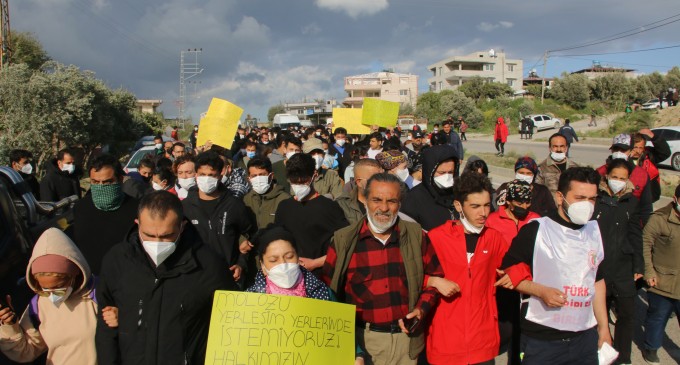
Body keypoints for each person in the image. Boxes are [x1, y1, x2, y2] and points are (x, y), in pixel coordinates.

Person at [95, 191, 236, 364]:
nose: (157, 243)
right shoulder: (117, 260)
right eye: (149, 235)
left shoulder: (209, 265)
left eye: (166, 235)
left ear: (182, 226)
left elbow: (230, 325)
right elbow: (105, 327)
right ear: (137, 224)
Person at [323, 173, 444, 365]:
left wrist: (421, 309)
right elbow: (328, 294)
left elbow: (435, 278)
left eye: (392, 201)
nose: (384, 208)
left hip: (407, 342)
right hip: (363, 341)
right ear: (365, 201)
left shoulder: (416, 236)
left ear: (400, 204)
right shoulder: (343, 240)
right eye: (376, 200)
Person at [501, 167, 612, 364]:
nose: (587, 205)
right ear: (560, 197)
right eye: (579, 198)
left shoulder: (595, 230)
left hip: (584, 337)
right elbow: (506, 272)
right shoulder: (537, 230)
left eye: (592, 199)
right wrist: (540, 291)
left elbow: (597, 281)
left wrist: (603, 327)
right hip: (543, 339)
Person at [426, 172, 510, 365]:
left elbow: (516, 266)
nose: (483, 213)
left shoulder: (494, 238)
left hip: (483, 340)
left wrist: (514, 274)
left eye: (487, 205)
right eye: (475, 206)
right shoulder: (436, 237)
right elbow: (413, 275)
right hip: (445, 341)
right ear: (458, 206)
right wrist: (433, 281)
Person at [0, 228, 98, 364]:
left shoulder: (100, 293)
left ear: (74, 274)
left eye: (58, 286)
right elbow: (25, 352)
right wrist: (10, 326)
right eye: (44, 288)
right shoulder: (38, 305)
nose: (52, 295)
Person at [592, 158, 642, 365]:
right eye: (615, 177)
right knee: (597, 316)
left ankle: (622, 358)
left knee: (627, 315)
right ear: (607, 176)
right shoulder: (596, 198)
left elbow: (636, 234)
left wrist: (639, 266)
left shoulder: (632, 201)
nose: (618, 181)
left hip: (623, 266)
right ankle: (600, 355)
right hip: (598, 266)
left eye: (623, 178)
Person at [486, 180, 540, 365]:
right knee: (505, 329)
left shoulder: (536, 220)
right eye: (519, 203)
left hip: (527, 284)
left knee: (523, 332)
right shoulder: (493, 220)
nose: (524, 207)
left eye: (527, 203)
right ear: (508, 201)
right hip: (502, 283)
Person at [182, 152, 256, 282]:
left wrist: (241, 263)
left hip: (228, 276)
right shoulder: (185, 207)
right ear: (196, 175)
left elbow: (249, 236)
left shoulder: (234, 205)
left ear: (220, 175)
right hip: (194, 277)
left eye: (211, 175)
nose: (206, 179)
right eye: (202, 175)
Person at [274, 153, 348, 276]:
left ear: (314, 175)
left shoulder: (329, 207)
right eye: (294, 182)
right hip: (289, 276)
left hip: (321, 277)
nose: (298, 185)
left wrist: (315, 263)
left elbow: (344, 245)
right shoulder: (284, 207)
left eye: (303, 181)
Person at [68, 154, 139, 275]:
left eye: (107, 182)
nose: (101, 186)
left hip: (124, 278)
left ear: (121, 180)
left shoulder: (137, 209)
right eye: (95, 182)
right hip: (89, 280)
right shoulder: (81, 208)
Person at [641, 184, 680, 364]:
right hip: (661, 281)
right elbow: (645, 244)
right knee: (657, 319)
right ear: (675, 199)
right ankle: (651, 348)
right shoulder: (660, 218)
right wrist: (649, 272)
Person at [246, 225, 333, 299]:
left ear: (298, 257)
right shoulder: (250, 300)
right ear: (263, 266)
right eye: (273, 260)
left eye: (289, 257)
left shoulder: (322, 292)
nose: (283, 264)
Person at [595, 133, 653, 223]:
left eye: (623, 150)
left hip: (629, 224)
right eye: (616, 149)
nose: (619, 153)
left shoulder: (642, 175)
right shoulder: (599, 172)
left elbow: (646, 207)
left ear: (630, 151)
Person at [401, 145, 459, 231]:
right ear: (429, 171)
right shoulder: (413, 199)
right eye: (441, 172)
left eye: (450, 172)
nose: (447, 176)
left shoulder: (460, 193)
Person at [242, 156, 291, 231]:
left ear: (271, 176)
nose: (258, 179)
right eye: (254, 176)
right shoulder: (245, 200)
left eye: (262, 175)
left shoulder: (285, 200)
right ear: (249, 179)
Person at [336, 159, 384, 224]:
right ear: (359, 182)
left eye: (383, 178)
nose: (381, 183)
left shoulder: (392, 201)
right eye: (375, 179)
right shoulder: (342, 205)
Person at [629, 129, 671, 202]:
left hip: (648, 198)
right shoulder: (623, 157)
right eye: (635, 147)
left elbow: (665, 152)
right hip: (629, 199)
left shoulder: (649, 155)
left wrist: (653, 137)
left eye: (641, 148)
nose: (638, 151)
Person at [535, 133, 581, 199]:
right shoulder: (541, 168)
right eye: (555, 146)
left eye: (562, 146)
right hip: (551, 208)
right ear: (550, 148)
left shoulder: (575, 167)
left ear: (566, 148)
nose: (559, 150)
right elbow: (538, 192)